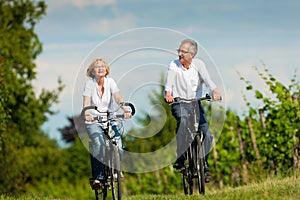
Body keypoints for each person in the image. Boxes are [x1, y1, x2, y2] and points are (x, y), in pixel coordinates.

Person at [164, 39, 221, 183]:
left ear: (192, 54)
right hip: (179, 103)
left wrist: (214, 91)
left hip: (196, 103)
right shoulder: (174, 65)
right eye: (179, 51)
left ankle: (204, 165)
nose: (179, 54)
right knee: (183, 122)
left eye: (183, 52)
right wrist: (168, 94)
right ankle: (181, 158)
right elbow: (169, 83)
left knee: (207, 135)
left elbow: (208, 80)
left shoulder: (199, 65)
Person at [82, 58, 131, 186]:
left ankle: (116, 170)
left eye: (103, 66)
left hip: (110, 119)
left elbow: (118, 98)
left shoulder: (111, 82)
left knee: (118, 144)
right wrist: (87, 113)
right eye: (97, 67)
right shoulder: (89, 84)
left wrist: (125, 109)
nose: (100, 68)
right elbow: (86, 102)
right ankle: (98, 177)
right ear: (92, 71)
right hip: (94, 121)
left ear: (106, 69)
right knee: (98, 144)